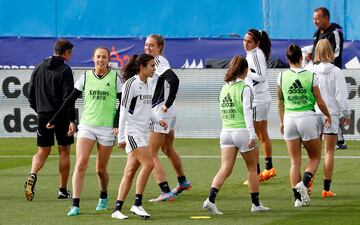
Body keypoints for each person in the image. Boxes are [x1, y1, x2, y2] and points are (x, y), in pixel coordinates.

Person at [47, 47, 123, 216]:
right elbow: (69, 100)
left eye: (104, 57)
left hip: (106, 128)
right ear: (93, 58)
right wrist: (54, 119)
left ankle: (103, 195)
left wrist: (117, 124)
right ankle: (75, 204)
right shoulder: (86, 77)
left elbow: (122, 104)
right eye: (98, 57)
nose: (100, 60)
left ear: (108, 59)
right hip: (87, 126)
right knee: (80, 164)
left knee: (100, 170)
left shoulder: (115, 78)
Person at [203, 55, 270, 215]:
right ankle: (255, 204)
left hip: (226, 131)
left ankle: (210, 199)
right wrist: (252, 135)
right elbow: (247, 113)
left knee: (225, 168)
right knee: (252, 168)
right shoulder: (245, 88)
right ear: (245, 71)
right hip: (242, 131)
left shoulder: (224, 88)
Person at [111, 54, 168, 220]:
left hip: (142, 133)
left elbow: (147, 108)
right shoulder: (131, 84)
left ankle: (117, 209)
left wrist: (159, 120)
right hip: (132, 132)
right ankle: (137, 204)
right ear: (142, 67)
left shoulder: (148, 83)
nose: (154, 69)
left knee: (129, 172)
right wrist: (121, 137)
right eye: (152, 65)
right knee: (149, 164)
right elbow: (123, 110)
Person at [277, 44, 331, 207]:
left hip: (289, 119)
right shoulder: (311, 75)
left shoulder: (281, 76)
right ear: (301, 57)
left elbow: (280, 101)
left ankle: (297, 199)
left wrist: (281, 121)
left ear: (287, 59)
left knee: (295, 162)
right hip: (307, 117)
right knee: (314, 157)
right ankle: (305, 182)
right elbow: (319, 101)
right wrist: (328, 115)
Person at [25, 39, 75, 201]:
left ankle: (32, 174)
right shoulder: (65, 70)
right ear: (66, 52)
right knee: (64, 151)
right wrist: (71, 120)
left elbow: (30, 94)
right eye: (70, 52)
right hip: (60, 116)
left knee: (42, 151)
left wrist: (37, 110)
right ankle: (62, 190)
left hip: (43, 115)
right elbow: (68, 98)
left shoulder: (38, 67)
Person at [144, 34, 192, 202]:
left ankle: (165, 191)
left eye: (151, 45)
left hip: (160, 113)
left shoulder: (157, 62)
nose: (148, 48)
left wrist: (167, 104)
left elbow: (174, 80)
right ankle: (183, 182)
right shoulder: (155, 62)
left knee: (150, 154)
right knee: (167, 150)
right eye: (146, 45)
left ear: (159, 48)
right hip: (167, 113)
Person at [306, 39, 351, 197]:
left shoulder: (310, 70)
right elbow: (341, 96)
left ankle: (308, 182)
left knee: (313, 155)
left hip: (313, 114)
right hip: (330, 115)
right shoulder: (336, 71)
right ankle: (326, 189)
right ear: (331, 52)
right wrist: (346, 114)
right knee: (329, 152)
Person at [308, 7, 346, 149]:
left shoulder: (335, 32)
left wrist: (325, 64)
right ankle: (320, 138)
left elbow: (335, 52)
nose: (315, 21)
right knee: (321, 103)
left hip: (331, 72)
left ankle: (339, 139)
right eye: (313, 18)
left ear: (326, 18)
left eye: (317, 18)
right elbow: (315, 52)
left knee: (332, 103)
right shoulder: (316, 34)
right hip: (318, 72)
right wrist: (312, 60)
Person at [243, 29, 276, 184]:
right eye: (244, 40)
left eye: (249, 41)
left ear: (257, 43)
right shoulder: (253, 54)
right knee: (262, 134)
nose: (245, 43)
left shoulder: (256, 54)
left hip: (258, 99)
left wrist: (245, 73)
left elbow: (261, 77)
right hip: (261, 98)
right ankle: (268, 168)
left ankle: (256, 173)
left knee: (253, 136)